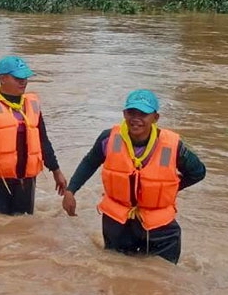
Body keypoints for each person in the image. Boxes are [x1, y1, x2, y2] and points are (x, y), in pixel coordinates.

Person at [62, 90, 206, 264]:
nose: (136, 118)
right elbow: (89, 163)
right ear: (124, 114)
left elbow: (198, 172)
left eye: (143, 114)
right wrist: (71, 191)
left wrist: (169, 188)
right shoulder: (108, 138)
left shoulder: (172, 146)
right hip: (118, 224)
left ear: (155, 117)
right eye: (131, 113)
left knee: (163, 280)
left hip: (160, 230)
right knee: (114, 274)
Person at [0, 55, 68, 215]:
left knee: (24, 228)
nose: (23, 82)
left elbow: (43, 142)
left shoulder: (32, 106)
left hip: (25, 182)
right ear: (3, 78)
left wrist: (56, 171)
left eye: (25, 77)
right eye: (18, 78)